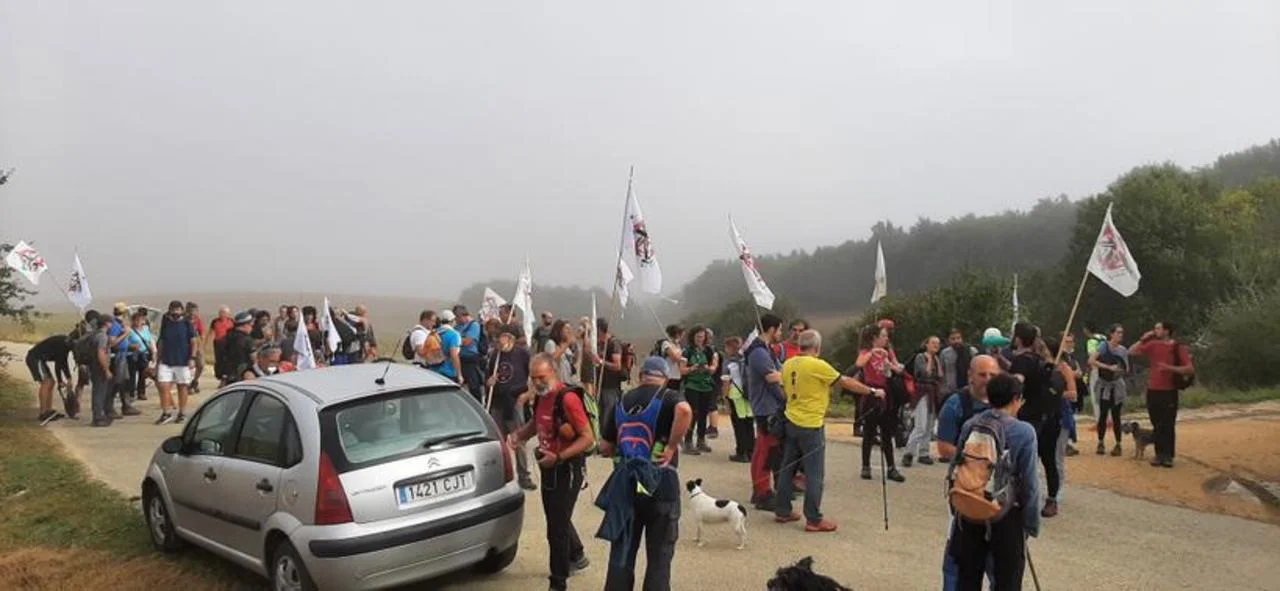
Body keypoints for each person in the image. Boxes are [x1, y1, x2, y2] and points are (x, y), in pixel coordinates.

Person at [596, 356, 692, 591]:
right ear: (665, 378)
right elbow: (684, 411)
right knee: (660, 554)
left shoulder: (621, 401)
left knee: (622, 552)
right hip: (661, 482)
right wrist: (671, 446)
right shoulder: (669, 397)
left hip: (627, 486)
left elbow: (605, 446)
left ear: (641, 377)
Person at [776, 330, 880, 533]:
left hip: (791, 420)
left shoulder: (788, 364)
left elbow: (783, 389)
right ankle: (813, 518)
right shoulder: (818, 365)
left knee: (787, 468)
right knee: (815, 473)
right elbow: (845, 381)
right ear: (817, 347)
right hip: (811, 423)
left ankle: (782, 509)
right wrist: (872, 391)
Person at [508, 354, 595, 591]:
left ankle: (558, 582)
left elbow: (588, 438)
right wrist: (518, 436)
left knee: (556, 528)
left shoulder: (567, 399)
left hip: (567, 468)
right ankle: (576, 554)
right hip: (548, 467)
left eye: (541, 377)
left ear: (554, 372)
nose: (537, 382)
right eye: (533, 378)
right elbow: (536, 424)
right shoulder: (541, 397)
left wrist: (559, 457)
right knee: (556, 517)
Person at [947, 373, 1041, 591]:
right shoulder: (1024, 432)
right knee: (1007, 582)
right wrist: (1030, 524)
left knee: (967, 580)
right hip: (1004, 515)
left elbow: (956, 466)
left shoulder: (971, 424)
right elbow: (1030, 484)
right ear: (1016, 399)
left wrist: (959, 506)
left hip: (970, 508)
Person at [1009, 323, 1066, 518]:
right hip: (1050, 416)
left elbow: (1017, 382)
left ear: (1018, 339)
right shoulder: (1039, 361)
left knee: (1025, 460)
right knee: (1048, 461)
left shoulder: (1021, 361)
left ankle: (1023, 499)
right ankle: (1051, 500)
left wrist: (1007, 397)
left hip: (1031, 417)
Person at [1129, 321, 1195, 468]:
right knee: (1156, 424)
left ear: (1166, 331)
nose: (1155, 331)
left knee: (1168, 424)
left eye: (1158, 328)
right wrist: (1143, 338)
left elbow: (1190, 369)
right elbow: (1132, 351)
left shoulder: (1177, 347)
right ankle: (1159, 454)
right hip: (1153, 390)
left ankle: (1168, 455)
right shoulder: (1153, 344)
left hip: (1169, 391)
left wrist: (1169, 368)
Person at [486, 329, 536, 490]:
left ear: (509, 338)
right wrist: (489, 382)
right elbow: (488, 378)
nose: (498, 343)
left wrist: (528, 395)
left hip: (515, 402)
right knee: (498, 442)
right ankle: (502, 476)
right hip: (498, 403)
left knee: (519, 440)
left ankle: (524, 476)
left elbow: (534, 376)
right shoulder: (495, 355)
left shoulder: (522, 354)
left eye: (500, 339)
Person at [745, 313, 785, 510]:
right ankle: (763, 493)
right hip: (766, 407)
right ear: (771, 329)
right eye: (780, 329)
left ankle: (759, 490)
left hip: (768, 406)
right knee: (766, 451)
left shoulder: (765, 349)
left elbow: (779, 372)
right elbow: (772, 377)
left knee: (763, 449)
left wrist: (781, 374)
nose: (781, 333)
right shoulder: (759, 352)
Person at [855, 323, 904, 482]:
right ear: (874, 338)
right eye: (883, 336)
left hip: (885, 392)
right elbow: (859, 364)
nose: (886, 339)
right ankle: (865, 466)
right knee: (869, 432)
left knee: (886, 432)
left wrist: (889, 365)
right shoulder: (866, 352)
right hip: (870, 392)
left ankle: (891, 467)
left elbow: (893, 372)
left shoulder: (886, 353)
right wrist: (873, 352)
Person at [1047, 335, 1081, 505]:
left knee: (1057, 456)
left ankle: (1058, 490)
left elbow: (1073, 394)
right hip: (1044, 416)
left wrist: (1055, 394)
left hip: (1061, 416)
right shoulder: (1043, 368)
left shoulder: (1064, 368)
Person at [155, 300, 200, 425]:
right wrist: (158, 359)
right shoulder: (166, 321)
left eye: (178, 310)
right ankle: (166, 412)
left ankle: (182, 413)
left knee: (182, 386)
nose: (175, 312)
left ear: (182, 310)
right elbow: (161, 340)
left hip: (182, 360)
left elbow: (193, 341)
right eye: (173, 310)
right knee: (163, 386)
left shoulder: (186, 323)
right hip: (166, 360)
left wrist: (192, 357)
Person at [903, 335, 943, 467]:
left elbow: (940, 375)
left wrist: (935, 360)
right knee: (920, 425)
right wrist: (930, 359)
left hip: (933, 392)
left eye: (938, 343)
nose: (936, 346)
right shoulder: (921, 357)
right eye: (933, 343)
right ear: (927, 344)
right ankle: (909, 452)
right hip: (922, 392)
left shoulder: (937, 359)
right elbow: (925, 373)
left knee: (929, 425)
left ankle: (924, 453)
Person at [1088, 323, 1128, 456]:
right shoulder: (1103, 346)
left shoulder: (1122, 350)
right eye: (1118, 332)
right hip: (1104, 384)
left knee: (1116, 416)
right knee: (1103, 414)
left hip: (1117, 385)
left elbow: (1126, 368)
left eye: (1121, 333)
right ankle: (1100, 442)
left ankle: (1118, 444)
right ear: (1112, 334)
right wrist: (1108, 367)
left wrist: (1119, 370)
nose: (1120, 335)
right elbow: (1091, 360)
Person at [681, 326, 719, 456]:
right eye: (697, 337)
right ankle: (688, 441)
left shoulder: (710, 350)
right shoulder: (687, 351)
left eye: (702, 337)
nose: (700, 339)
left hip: (706, 386)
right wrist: (692, 368)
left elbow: (714, 367)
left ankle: (701, 440)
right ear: (692, 337)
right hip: (692, 386)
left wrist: (708, 368)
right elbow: (682, 370)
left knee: (703, 414)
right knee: (693, 413)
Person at [721, 336, 755, 463]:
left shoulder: (729, 363)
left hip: (735, 394)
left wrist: (725, 399)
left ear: (730, 348)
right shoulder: (746, 360)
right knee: (749, 423)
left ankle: (741, 452)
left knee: (738, 424)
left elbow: (726, 383)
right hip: (748, 394)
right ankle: (751, 451)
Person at [26, 334, 72, 424]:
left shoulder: (65, 343)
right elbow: (58, 365)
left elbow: (62, 362)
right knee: (46, 382)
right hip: (35, 358)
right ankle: (43, 413)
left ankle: (48, 410)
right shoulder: (62, 344)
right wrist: (61, 381)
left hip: (40, 360)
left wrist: (68, 378)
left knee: (51, 382)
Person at [106, 303, 140, 418]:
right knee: (117, 382)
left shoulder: (119, 324)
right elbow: (112, 343)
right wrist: (126, 334)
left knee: (124, 381)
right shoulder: (115, 325)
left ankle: (126, 405)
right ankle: (109, 408)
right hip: (118, 356)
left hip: (123, 354)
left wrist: (129, 346)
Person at [595, 319, 626, 431]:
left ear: (599, 330)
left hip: (611, 387)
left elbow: (617, 366)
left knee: (608, 416)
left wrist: (600, 361)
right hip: (601, 385)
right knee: (600, 414)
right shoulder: (600, 343)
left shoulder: (613, 343)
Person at [88, 312, 115, 427]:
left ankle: (98, 415)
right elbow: (101, 353)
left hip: (94, 366)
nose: (112, 325)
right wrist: (106, 370)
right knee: (99, 392)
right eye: (111, 322)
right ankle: (97, 418)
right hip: (99, 367)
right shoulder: (102, 336)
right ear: (106, 324)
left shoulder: (95, 334)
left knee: (98, 391)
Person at [453, 305, 485, 402]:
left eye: (456, 317)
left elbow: (468, 341)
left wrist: (454, 341)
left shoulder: (474, 325)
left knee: (474, 386)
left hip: (470, 359)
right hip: (458, 359)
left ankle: (477, 403)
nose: (455, 320)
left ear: (461, 315)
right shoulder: (456, 327)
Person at [126, 309, 156, 402]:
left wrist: (153, 353)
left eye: (141, 320)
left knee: (143, 373)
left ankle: (141, 392)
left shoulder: (146, 329)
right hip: (133, 354)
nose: (138, 322)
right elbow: (125, 342)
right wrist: (132, 346)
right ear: (133, 320)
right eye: (136, 320)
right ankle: (131, 393)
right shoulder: (129, 330)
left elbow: (150, 341)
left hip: (144, 354)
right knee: (132, 374)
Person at [940, 328, 978, 395]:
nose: (956, 341)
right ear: (948, 340)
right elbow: (942, 371)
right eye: (953, 339)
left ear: (962, 338)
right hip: (950, 390)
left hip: (968, 388)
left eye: (958, 338)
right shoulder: (945, 353)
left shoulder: (971, 351)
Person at [222, 311, 256, 385]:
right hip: (244, 375)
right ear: (245, 325)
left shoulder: (227, 336)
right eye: (251, 325)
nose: (252, 328)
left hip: (229, 374)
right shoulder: (247, 339)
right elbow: (254, 358)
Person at [431, 310, 464, 384]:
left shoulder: (434, 333)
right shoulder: (454, 335)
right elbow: (454, 355)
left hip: (433, 371)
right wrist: (459, 374)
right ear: (452, 321)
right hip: (448, 372)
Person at [1083, 322, 1107, 419]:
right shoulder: (1103, 338)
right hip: (1107, 369)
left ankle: (1099, 419)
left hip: (1097, 370)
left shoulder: (1091, 341)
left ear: (1086, 330)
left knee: (1096, 395)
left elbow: (1092, 357)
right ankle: (1109, 419)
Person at [544, 319, 578, 385]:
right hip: (556, 383)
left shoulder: (566, 347)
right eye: (567, 329)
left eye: (570, 329)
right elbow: (552, 359)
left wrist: (575, 346)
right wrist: (567, 342)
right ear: (559, 330)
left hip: (568, 381)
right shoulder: (551, 343)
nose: (569, 331)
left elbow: (574, 361)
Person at [207, 306, 235, 385]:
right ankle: (221, 377)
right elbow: (210, 332)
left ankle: (227, 377)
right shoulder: (215, 321)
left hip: (229, 343)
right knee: (219, 361)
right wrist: (207, 343)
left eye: (224, 312)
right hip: (218, 343)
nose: (222, 314)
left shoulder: (232, 321)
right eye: (220, 312)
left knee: (228, 360)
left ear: (228, 314)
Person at [656, 324, 686, 391]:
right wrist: (683, 359)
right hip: (668, 376)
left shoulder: (678, 345)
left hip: (677, 375)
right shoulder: (666, 344)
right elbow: (675, 358)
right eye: (681, 335)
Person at [185, 302, 206, 392]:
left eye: (194, 311)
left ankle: (195, 381)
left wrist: (201, 343)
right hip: (186, 345)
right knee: (187, 366)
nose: (192, 313)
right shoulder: (183, 320)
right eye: (191, 311)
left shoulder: (197, 320)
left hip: (197, 345)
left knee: (201, 365)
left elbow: (202, 333)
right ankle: (188, 385)